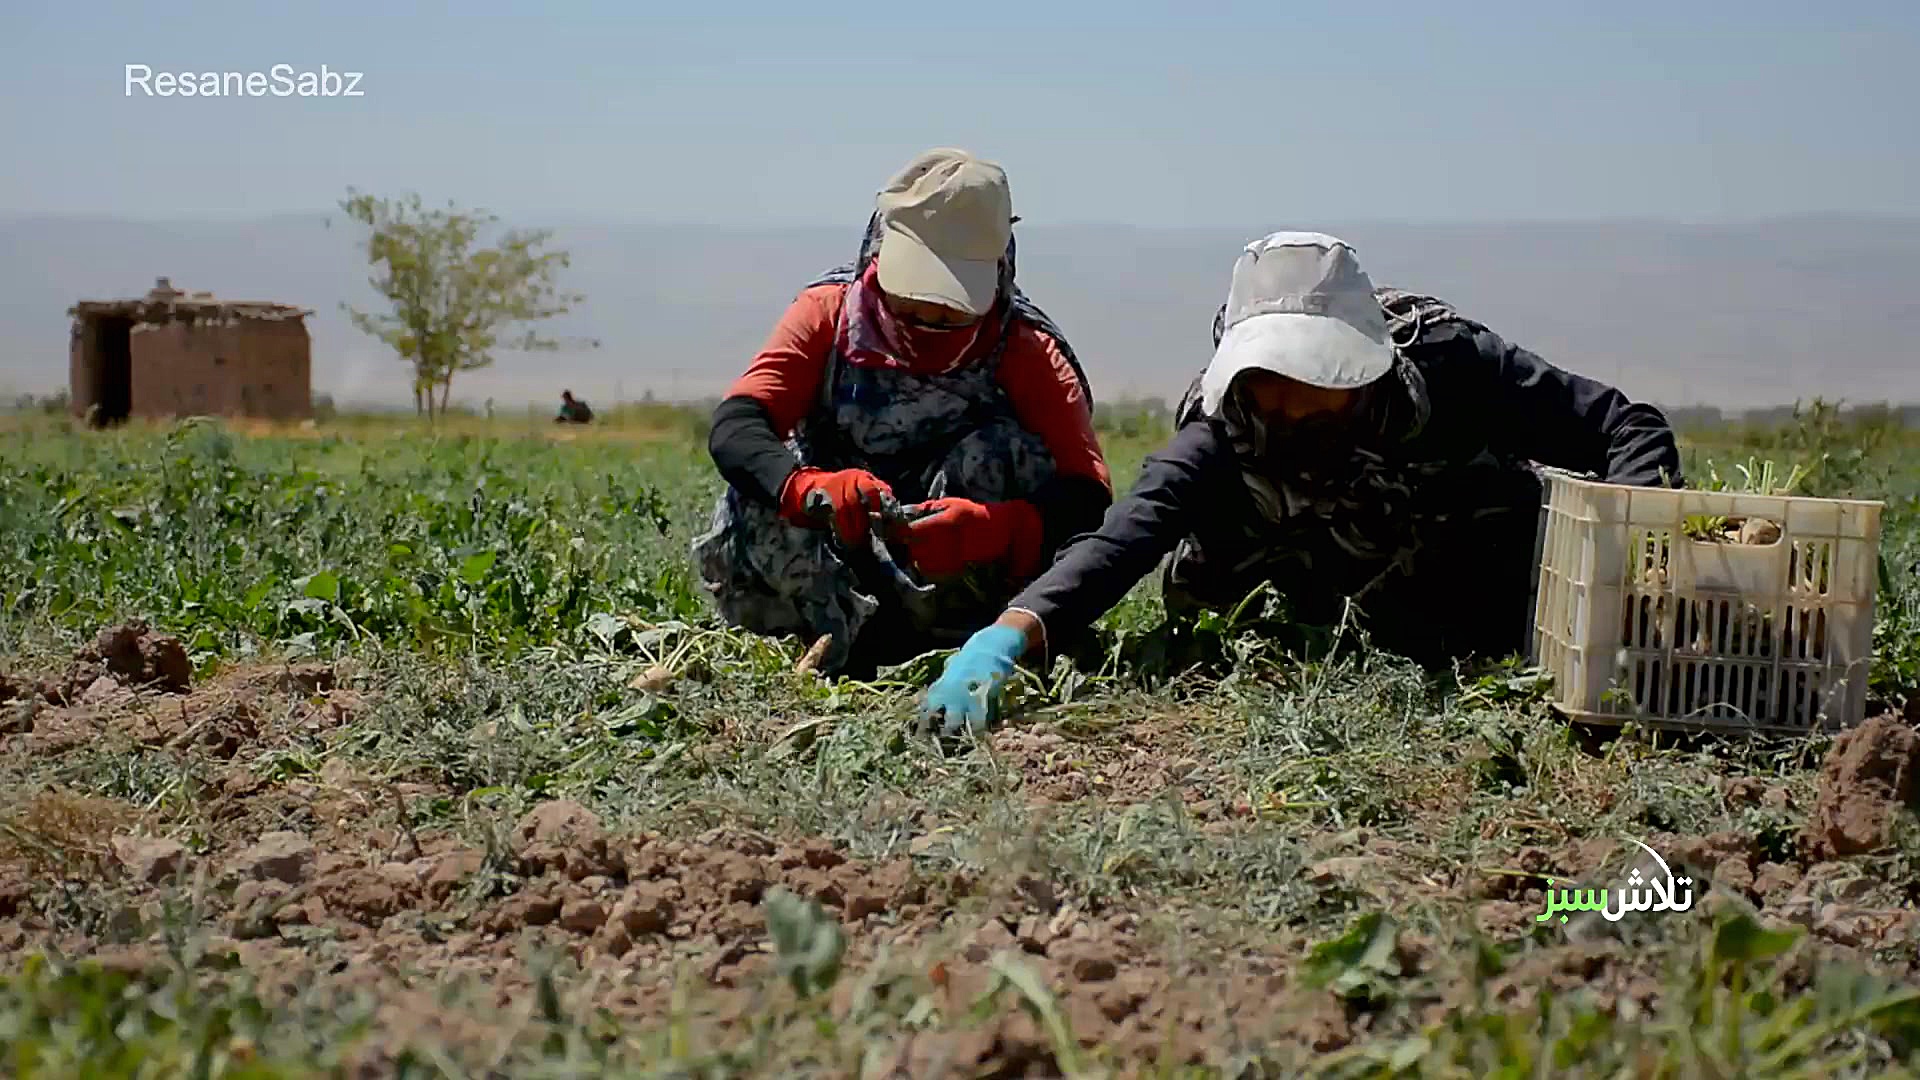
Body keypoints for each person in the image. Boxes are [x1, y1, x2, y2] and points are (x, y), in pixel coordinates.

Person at [918, 231, 1684, 735]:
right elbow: (1126, 539)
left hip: (1465, 579)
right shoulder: (1222, 433)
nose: (1286, 405)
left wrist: (1637, 555)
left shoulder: (1453, 367)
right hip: (1311, 605)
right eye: (1267, 381)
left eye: (1312, 380)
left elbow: (1624, 425)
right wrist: (1005, 639)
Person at [693, 148, 1114, 677]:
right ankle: (818, 631)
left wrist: (998, 528)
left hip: (955, 574)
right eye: (911, 304)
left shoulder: (1026, 348)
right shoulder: (827, 313)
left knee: (1005, 454)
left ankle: (953, 637)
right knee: (762, 482)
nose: (928, 322)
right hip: (831, 545)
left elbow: (1088, 495)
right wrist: (809, 489)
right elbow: (739, 427)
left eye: (950, 313)